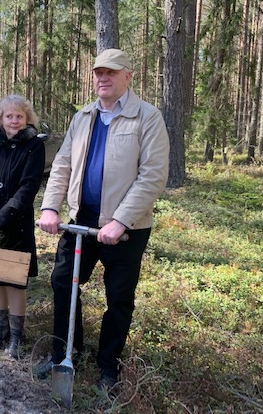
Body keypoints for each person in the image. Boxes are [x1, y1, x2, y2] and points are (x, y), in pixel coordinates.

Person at [36, 49, 170, 391]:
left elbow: (152, 176)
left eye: (111, 72)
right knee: (63, 283)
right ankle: (65, 352)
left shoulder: (147, 117)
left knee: (119, 297)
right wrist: (50, 207)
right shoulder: (83, 117)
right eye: (98, 72)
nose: (103, 78)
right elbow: (62, 165)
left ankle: (109, 366)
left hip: (126, 229)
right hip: (80, 220)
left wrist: (121, 220)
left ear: (128, 76)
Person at [0, 94, 45, 359]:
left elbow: (29, 185)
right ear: (0, 119)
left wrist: (6, 214)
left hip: (17, 220)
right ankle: (0, 327)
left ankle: (16, 335)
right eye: (9, 116)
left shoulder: (34, 146)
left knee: (14, 279)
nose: (14, 121)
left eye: (19, 116)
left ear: (27, 119)